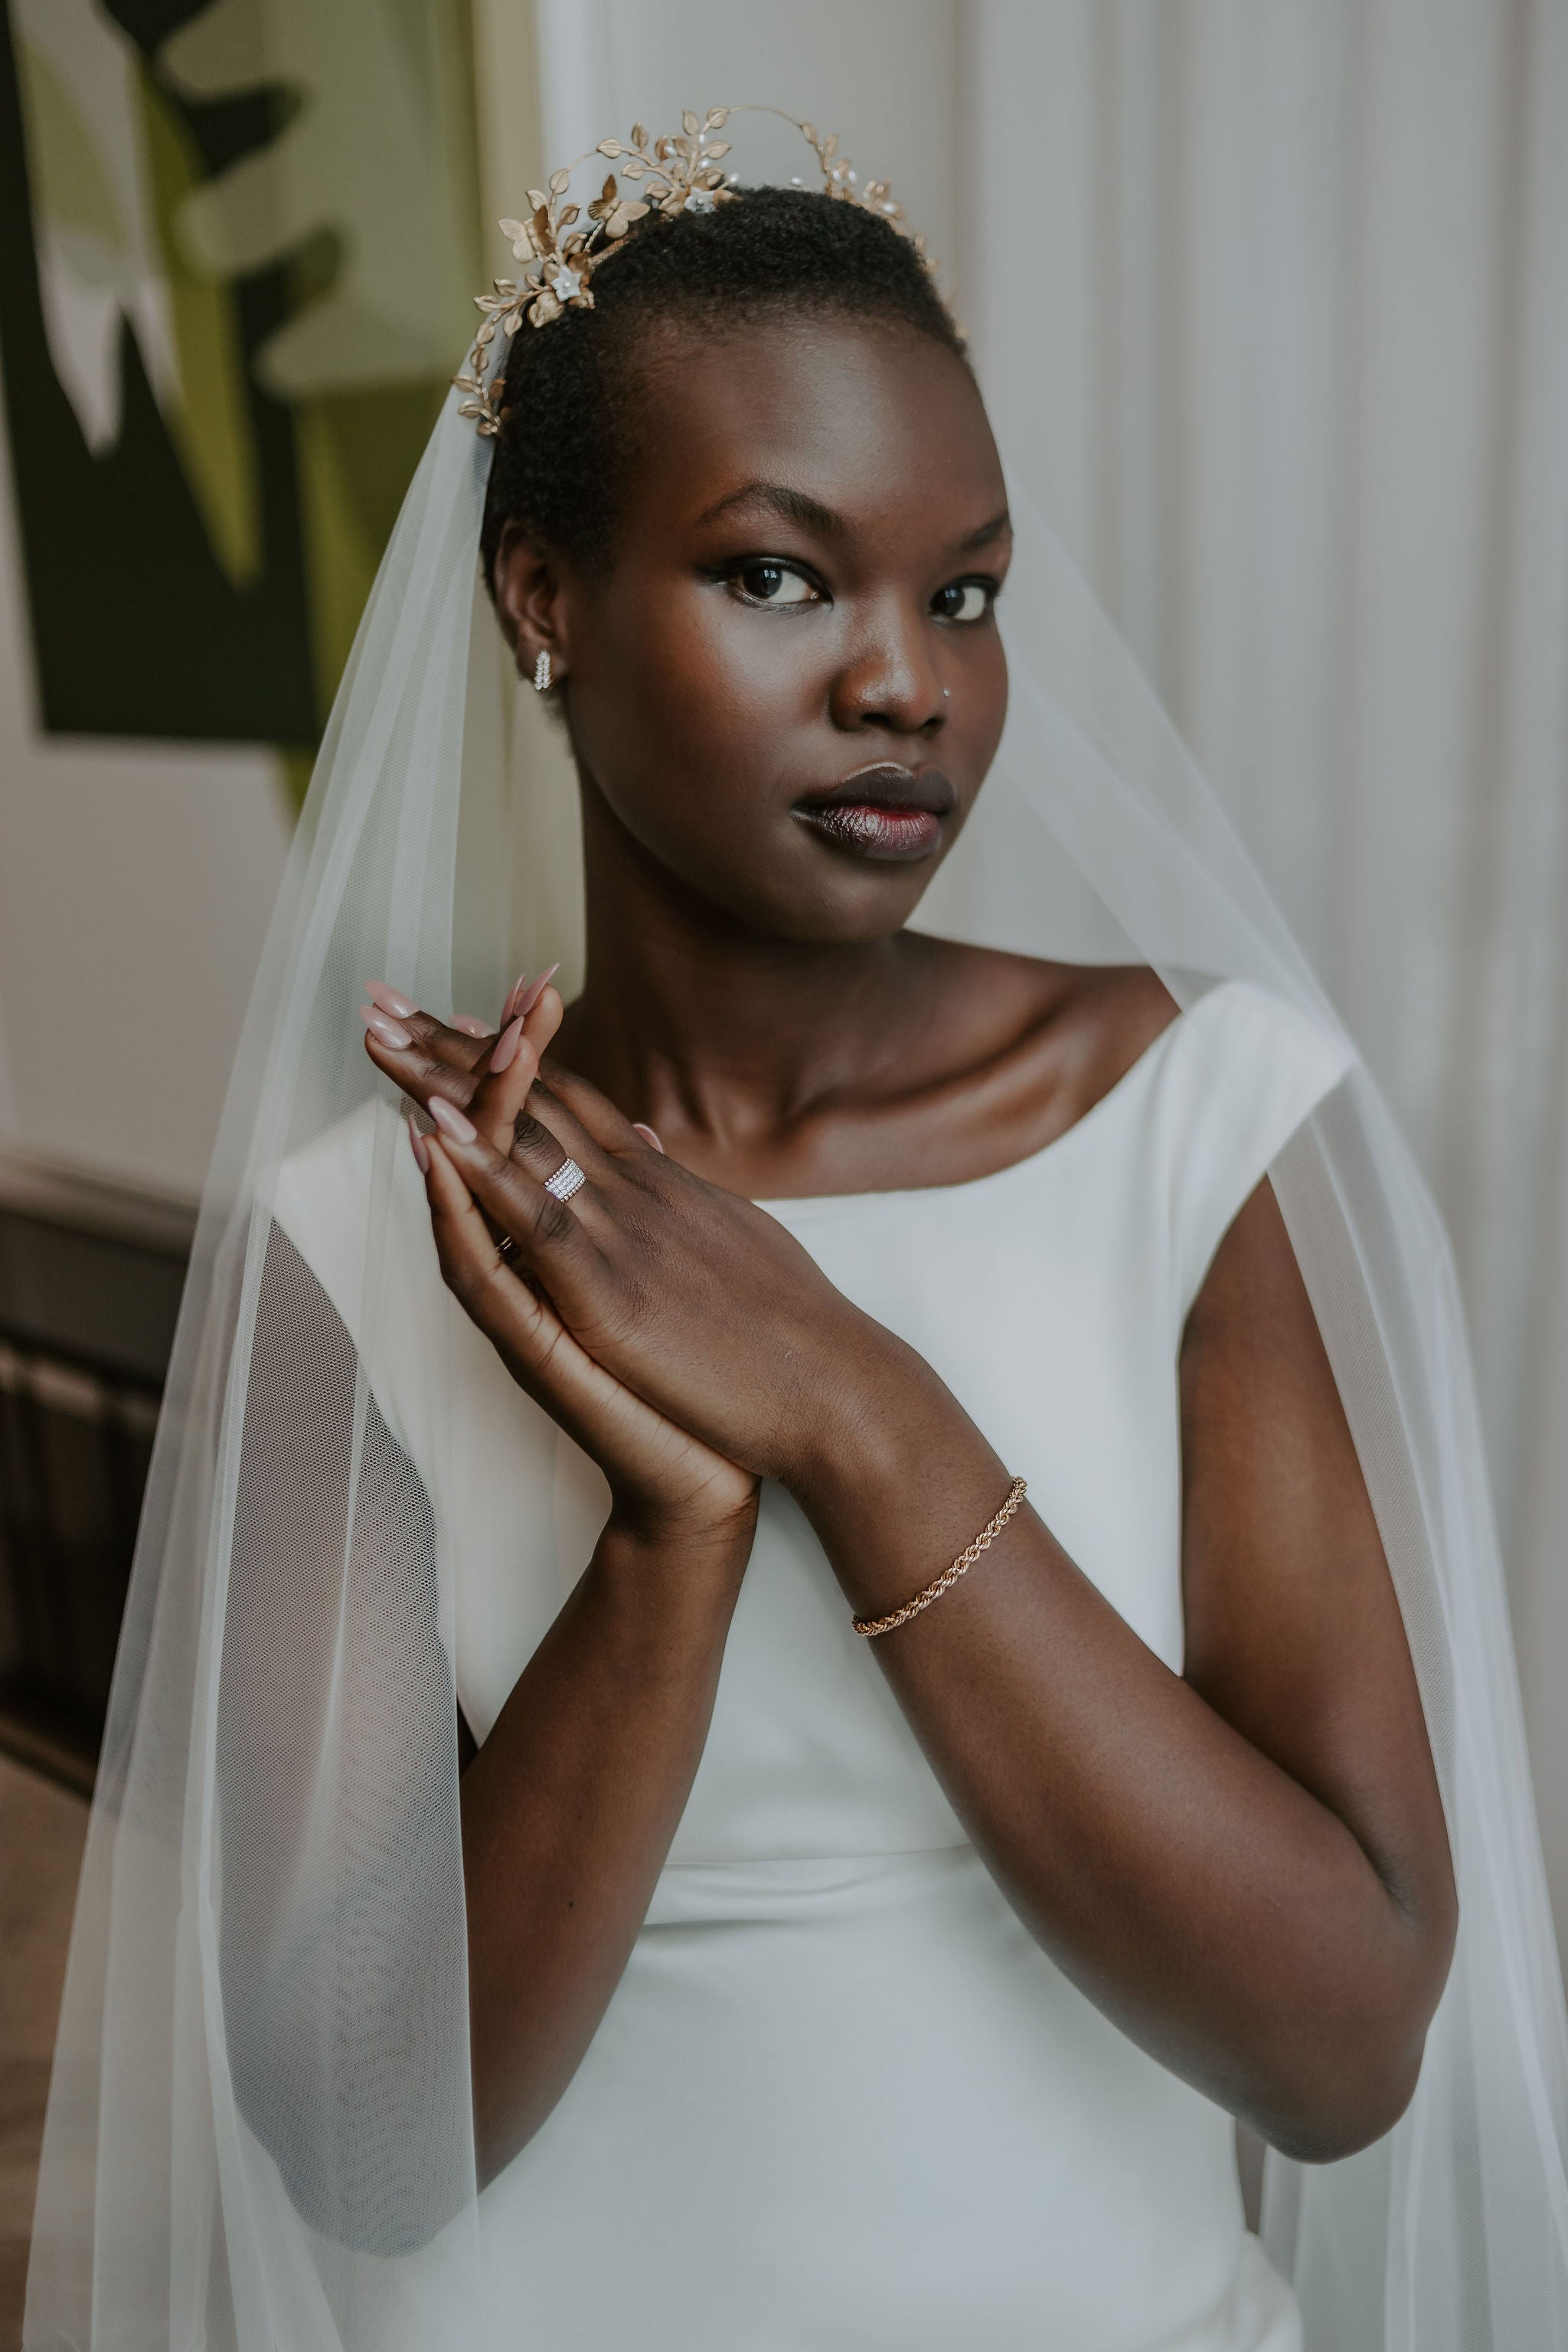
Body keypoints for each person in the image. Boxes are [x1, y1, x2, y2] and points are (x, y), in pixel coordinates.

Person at [25, 111, 1568, 2352]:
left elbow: (1341, 2059)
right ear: (541, 599)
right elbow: (360, 2146)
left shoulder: (1197, 1132)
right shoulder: (359, 1246)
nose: (905, 684)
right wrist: (669, 1531)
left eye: (964, 591)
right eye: (779, 574)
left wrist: (850, 1400)